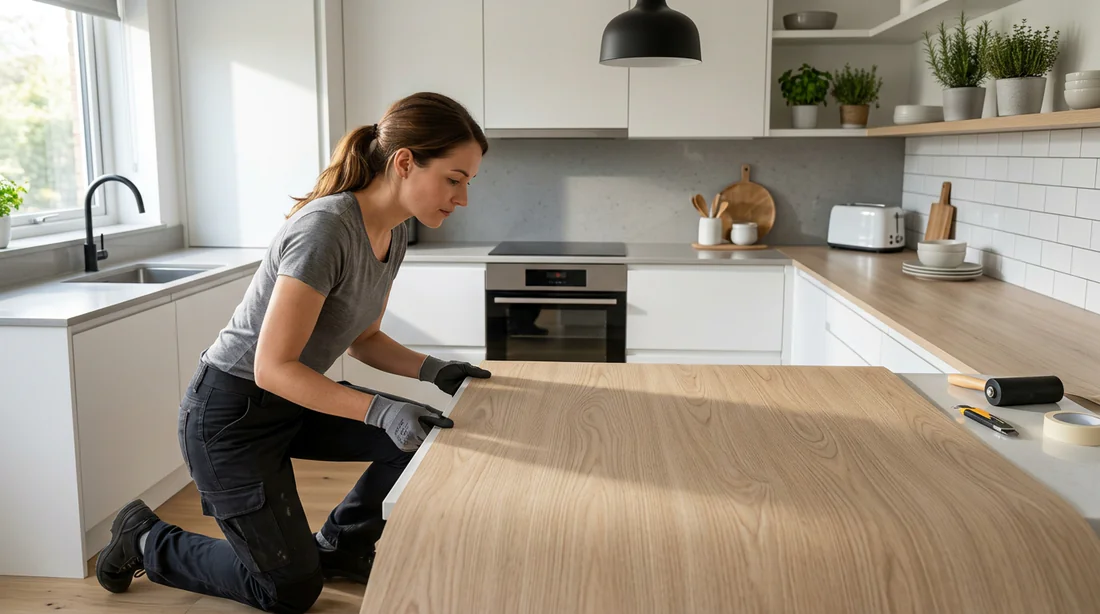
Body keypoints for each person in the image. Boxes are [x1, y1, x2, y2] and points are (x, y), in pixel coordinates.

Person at [93, 92, 492, 614]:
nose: (461, 198)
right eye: (454, 179)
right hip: (230, 416)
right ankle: (143, 537)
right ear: (404, 162)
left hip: (291, 399)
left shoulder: (391, 234)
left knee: (422, 437)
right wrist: (382, 408)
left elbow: (363, 336)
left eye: (467, 183)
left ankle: (342, 548)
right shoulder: (327, 227)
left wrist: (434, 370)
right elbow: (271, 366)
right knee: (288, 591)